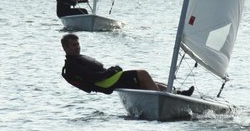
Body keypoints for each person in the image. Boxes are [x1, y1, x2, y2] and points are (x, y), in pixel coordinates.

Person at [60, 33, 193, 96]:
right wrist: (110, 72)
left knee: (149, 80)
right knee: (143, 74)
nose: (77, 47)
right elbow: (92, 77)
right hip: (106, 82)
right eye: (73, 45)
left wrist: (111, 71)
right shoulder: (72, 65)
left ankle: (177, 93)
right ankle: (162, 99)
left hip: (109, 79)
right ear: (65, 48)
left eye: (78, 44)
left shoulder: (77, 59)